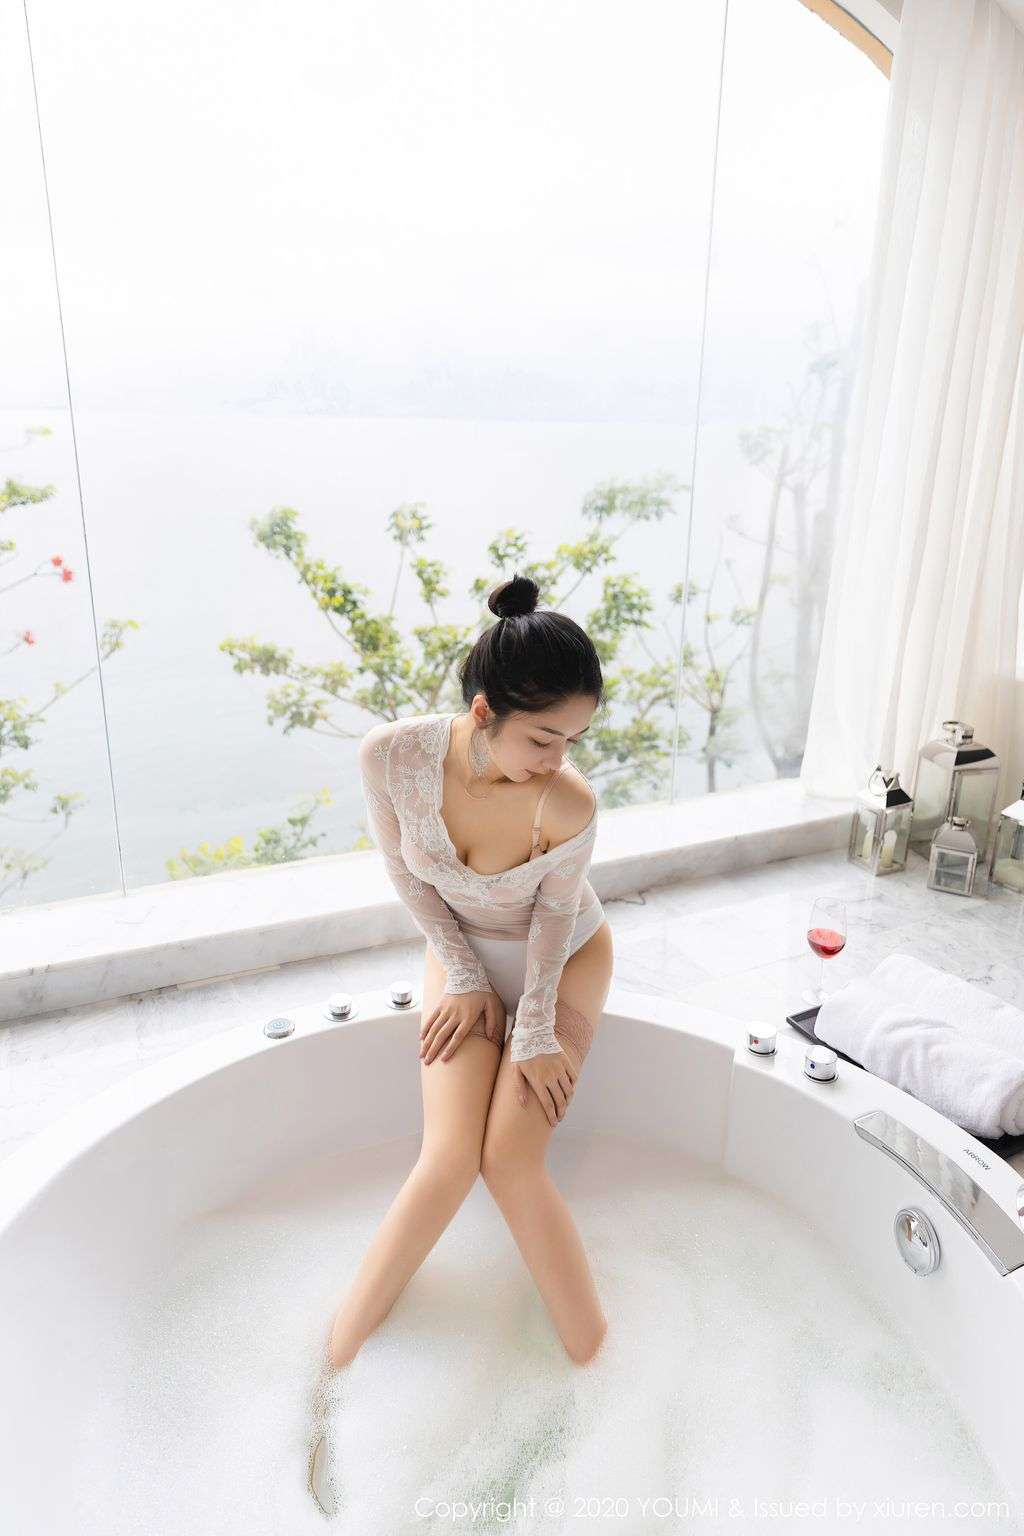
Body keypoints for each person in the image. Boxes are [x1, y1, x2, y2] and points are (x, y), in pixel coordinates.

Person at [308, 572, 614, 1515]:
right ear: (484, 712)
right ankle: (329, 1380)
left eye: (574, 739)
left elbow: (556, 925)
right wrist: (467, 976)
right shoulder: (391, 756)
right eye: (542, 738)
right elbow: (407, 876)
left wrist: (535, 1030)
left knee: (511, 1161)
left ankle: (604, 1387)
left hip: (565, 963)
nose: (557, 760)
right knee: (447, 1160)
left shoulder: (567, 804)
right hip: (460, 956)